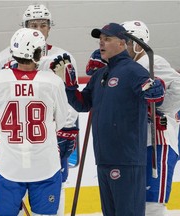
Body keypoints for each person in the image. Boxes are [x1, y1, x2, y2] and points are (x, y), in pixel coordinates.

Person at [52, 22, 165, 216]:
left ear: (122, 43)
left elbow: (152, 92)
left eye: (107, 39)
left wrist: (157, 90)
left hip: (127, 159)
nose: (101, 44)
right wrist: (69, 87)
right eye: (100, 40)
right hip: (104, 158)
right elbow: (83, 104)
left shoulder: (133, 70)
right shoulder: (100, 75)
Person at [0, 27, 78, 215]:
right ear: (38, 53)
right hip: (45, 164)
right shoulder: (52, 82)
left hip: (9, 165)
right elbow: (60, 120)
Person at [121, 20, 180, 216]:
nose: (122, 46)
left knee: (153, 205)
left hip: (157, 143)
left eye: (126, 42)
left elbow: (179, 87)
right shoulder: (125, 67)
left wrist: (159, 109)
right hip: (136, 144)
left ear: (138, 44)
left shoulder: (149, 61)